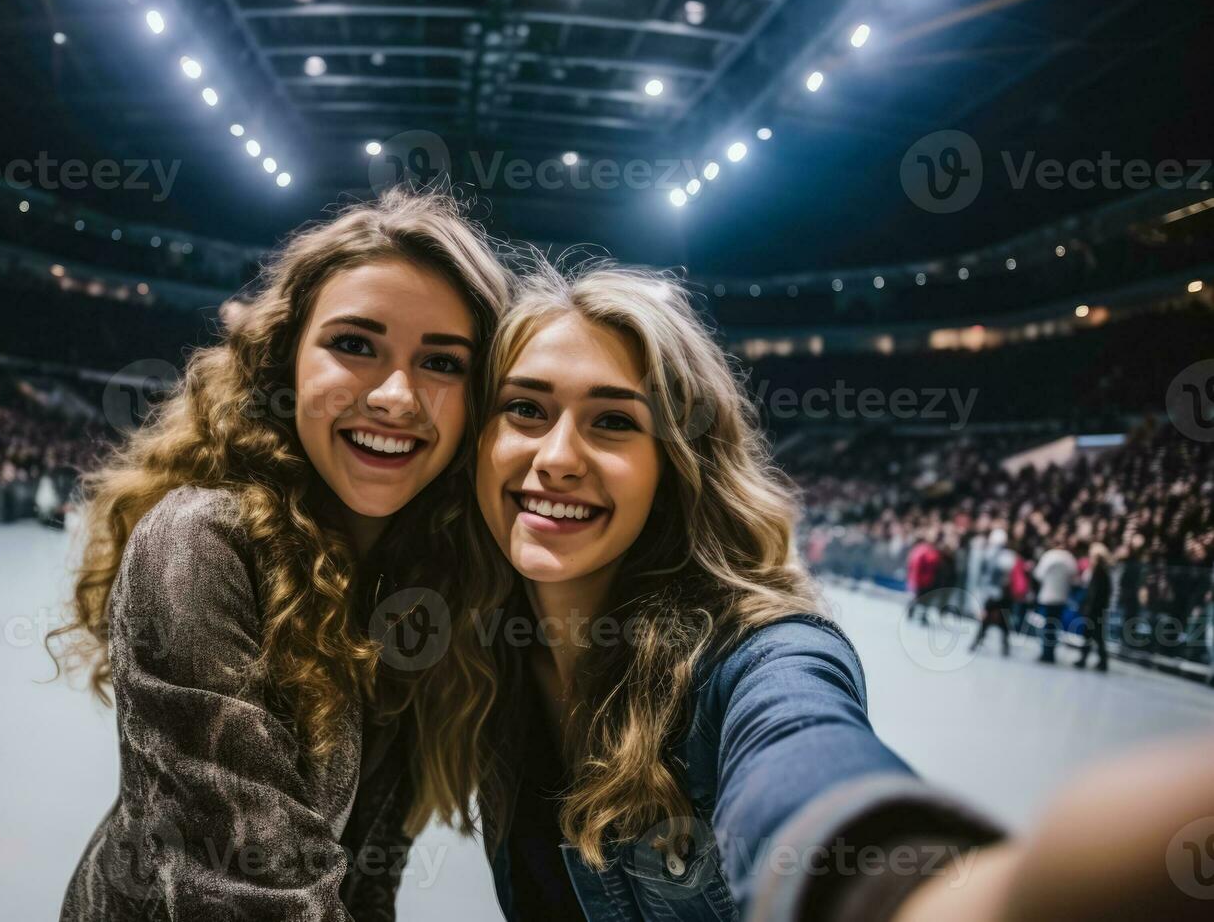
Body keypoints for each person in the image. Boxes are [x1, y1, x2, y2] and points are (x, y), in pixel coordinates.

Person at [440, 262, 1214, 922]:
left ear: (677, 467)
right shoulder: (476, 651)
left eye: (612, 421)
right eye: (524, 409)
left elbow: (804, 757)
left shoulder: (759, 654)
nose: (558, 457)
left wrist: (948, 898)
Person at [52, 189, 511, 920]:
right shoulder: (200, 543)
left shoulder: (428, 582)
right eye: (355, 345)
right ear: (285, 361)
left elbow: (366, 877)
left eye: (442, 363)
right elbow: (256, 892)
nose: (397, 396)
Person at [1032, 537, 1078, 664]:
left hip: (1047, 595)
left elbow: (1038, 574)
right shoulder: (1069, 558)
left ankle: (1046, 652)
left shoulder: (1048, 556)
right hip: (1062, 596)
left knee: (1047, 625)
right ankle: (1051, 652)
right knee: (1055, 625)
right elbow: (1074, 577)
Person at [970, 527, 1013, 656]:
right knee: (1001, 621)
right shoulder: (1008, 556)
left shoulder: (989, 554)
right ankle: (1004, 646)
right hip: (1001, 595)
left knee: (989, 620)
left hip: (994, 594)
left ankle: (976, 643)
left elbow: (985, 576)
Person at [1074, 543, 1113, 671]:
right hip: (1097, 609)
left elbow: (1095, 594)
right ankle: (1094, 660)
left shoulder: (1099, 572)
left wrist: (1088, 608)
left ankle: (1092, 659)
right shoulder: (1101, 571)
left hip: (1095, 610)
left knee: (1093, 635)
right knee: (1094, 636)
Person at [904, 530, 943, 626]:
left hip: (930, 579)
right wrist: (915, 579)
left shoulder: (933, 550)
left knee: (925, 600)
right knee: (919, 598)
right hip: (922, 579)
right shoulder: (924, 549)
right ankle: (914, 613)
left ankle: (921, 616)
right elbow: (915, 565)